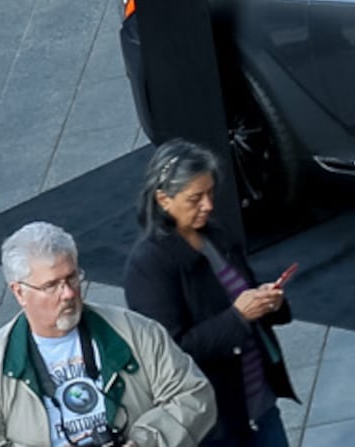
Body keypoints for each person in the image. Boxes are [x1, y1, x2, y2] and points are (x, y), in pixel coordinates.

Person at [0, 221, 214, 447]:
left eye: (72, 277)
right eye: (52, 285)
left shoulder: (137, 332)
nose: (68, 293)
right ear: (19, 292)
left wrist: (145, 442)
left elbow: (193, 394)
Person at [122, 140, 296, 447]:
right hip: (214, 424)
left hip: (260, 404)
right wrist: (239, 316)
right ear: (164, 199)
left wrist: (270, 302)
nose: (208, 205)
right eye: (195, 198)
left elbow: (245, 289)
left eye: (210, 192)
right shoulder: (148, 265)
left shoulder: (216, 234)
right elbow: (168, 351)